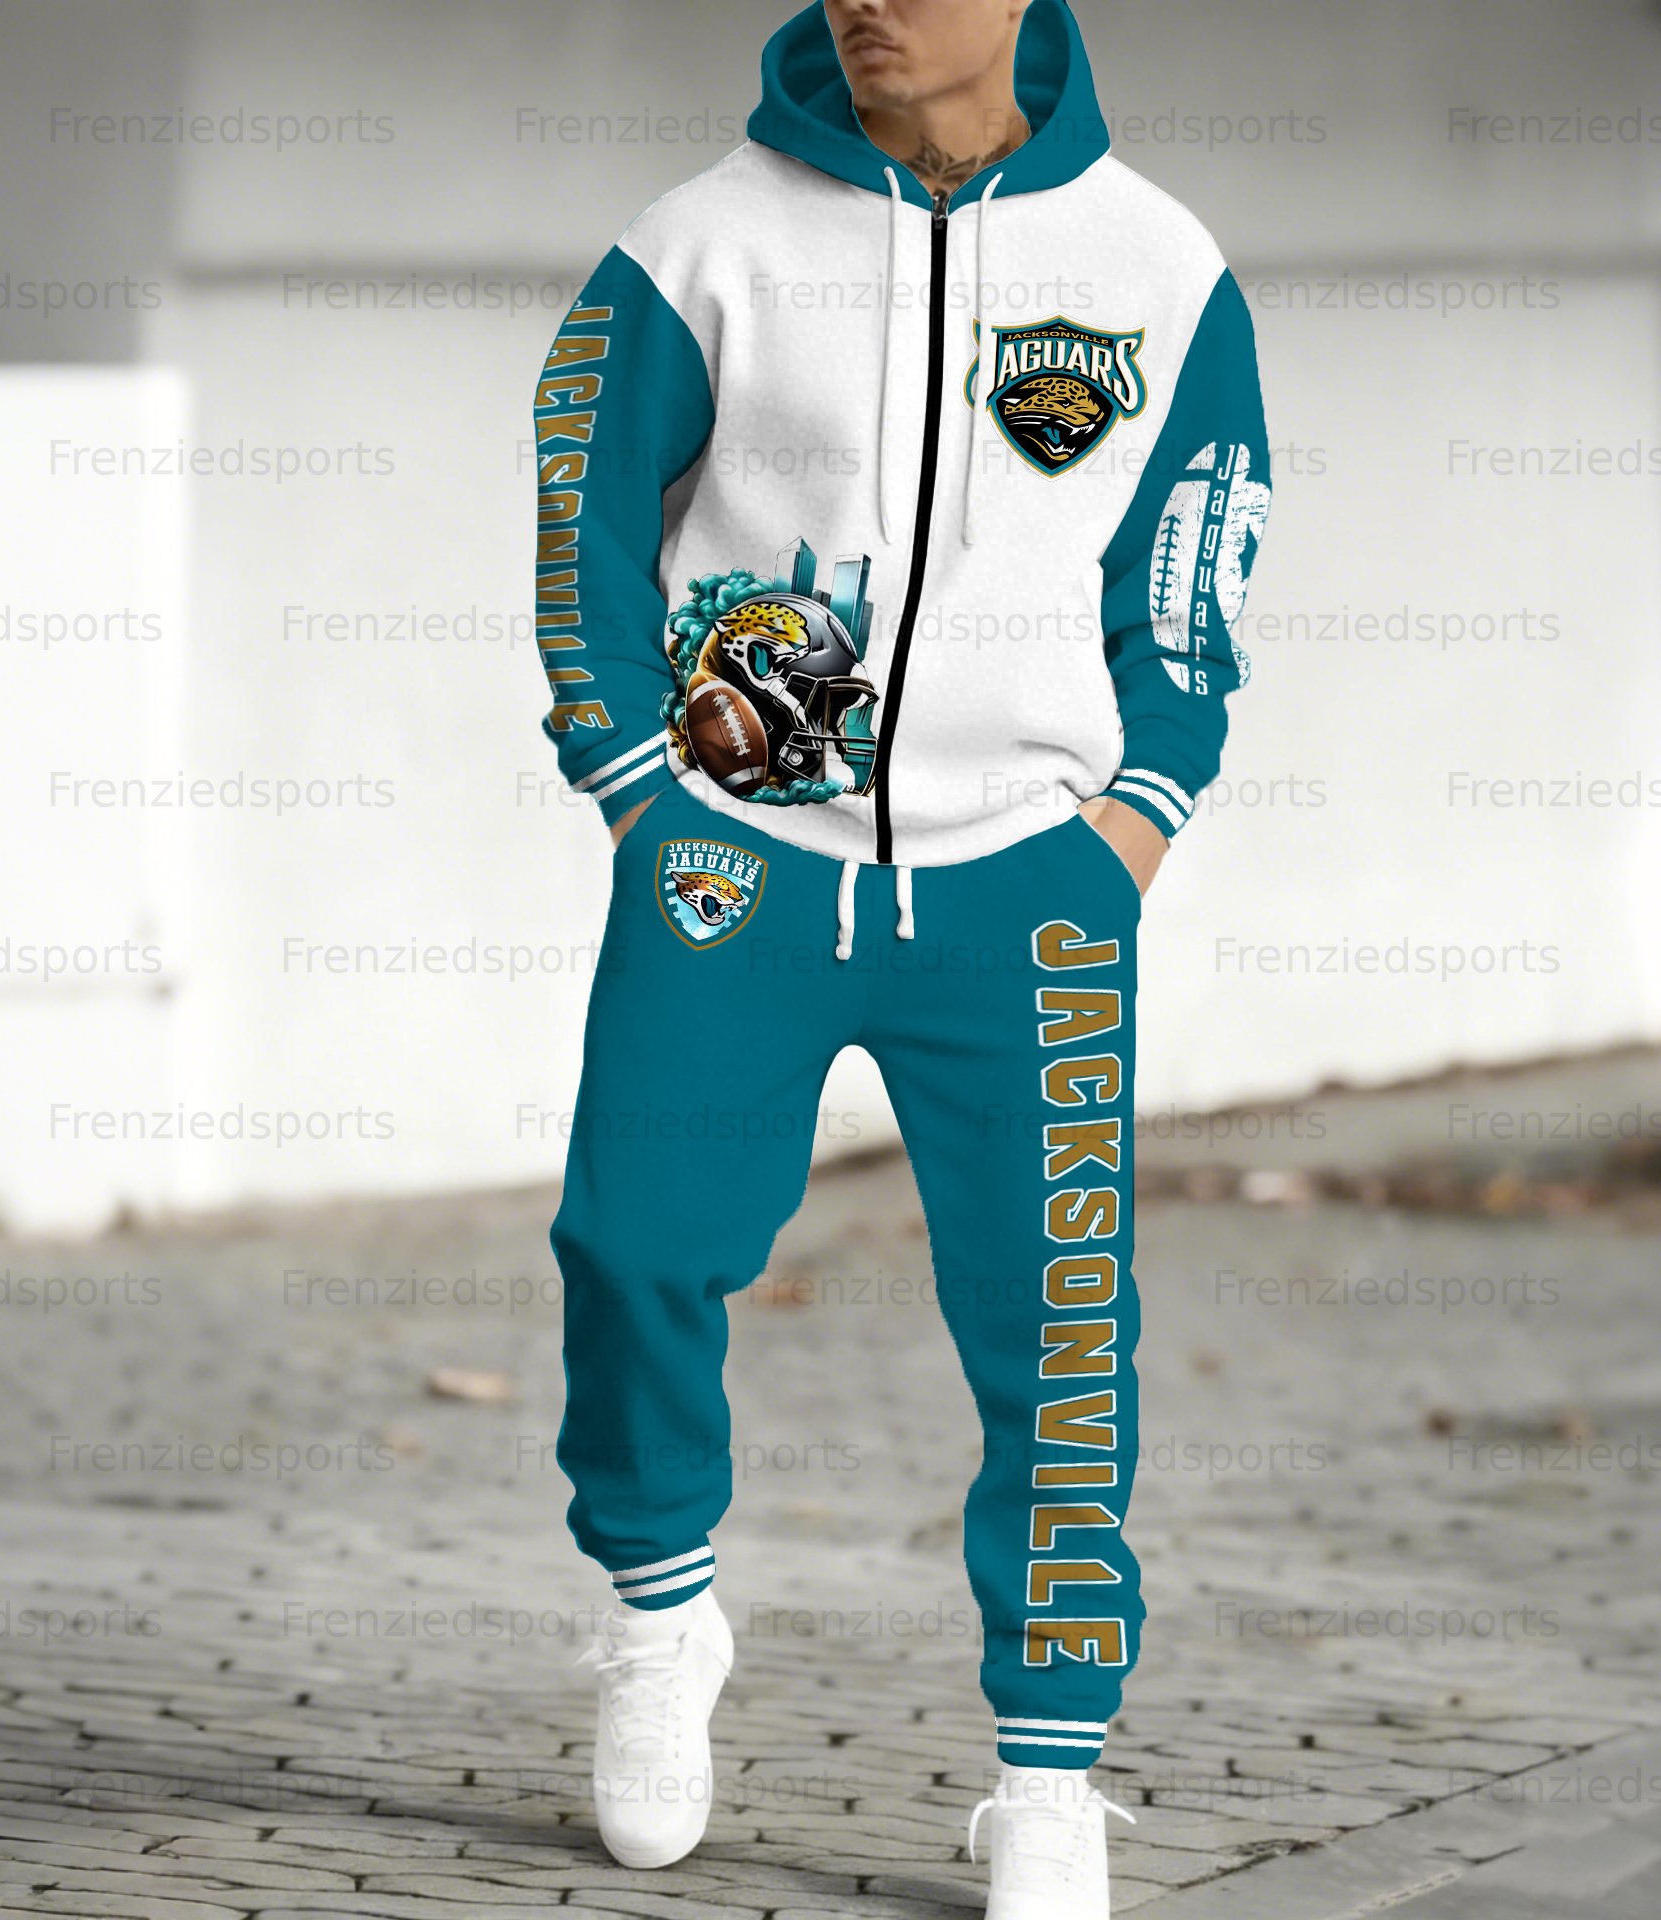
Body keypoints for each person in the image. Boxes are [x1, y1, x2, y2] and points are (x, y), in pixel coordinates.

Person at [531, 0, 1269, 1911]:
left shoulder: (1158, 267)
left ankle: (1049, 1772)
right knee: (633, 1245)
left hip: (1027, 884)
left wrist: (1136, 815)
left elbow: (1194, 558)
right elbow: (582, 519)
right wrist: (638, 787)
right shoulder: (700, 242)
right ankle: (660, 1612)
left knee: (1058, 1331)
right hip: (736, 863)